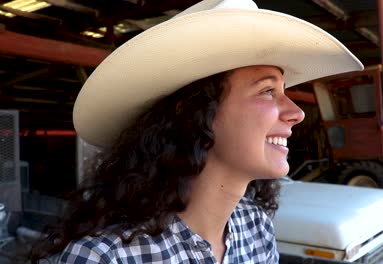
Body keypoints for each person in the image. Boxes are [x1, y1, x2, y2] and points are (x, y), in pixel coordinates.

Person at [30, 0, 363, 263]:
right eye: (267, 91)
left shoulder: (255, 226)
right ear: (196, 116)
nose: (297, 112)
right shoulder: (107, 258)